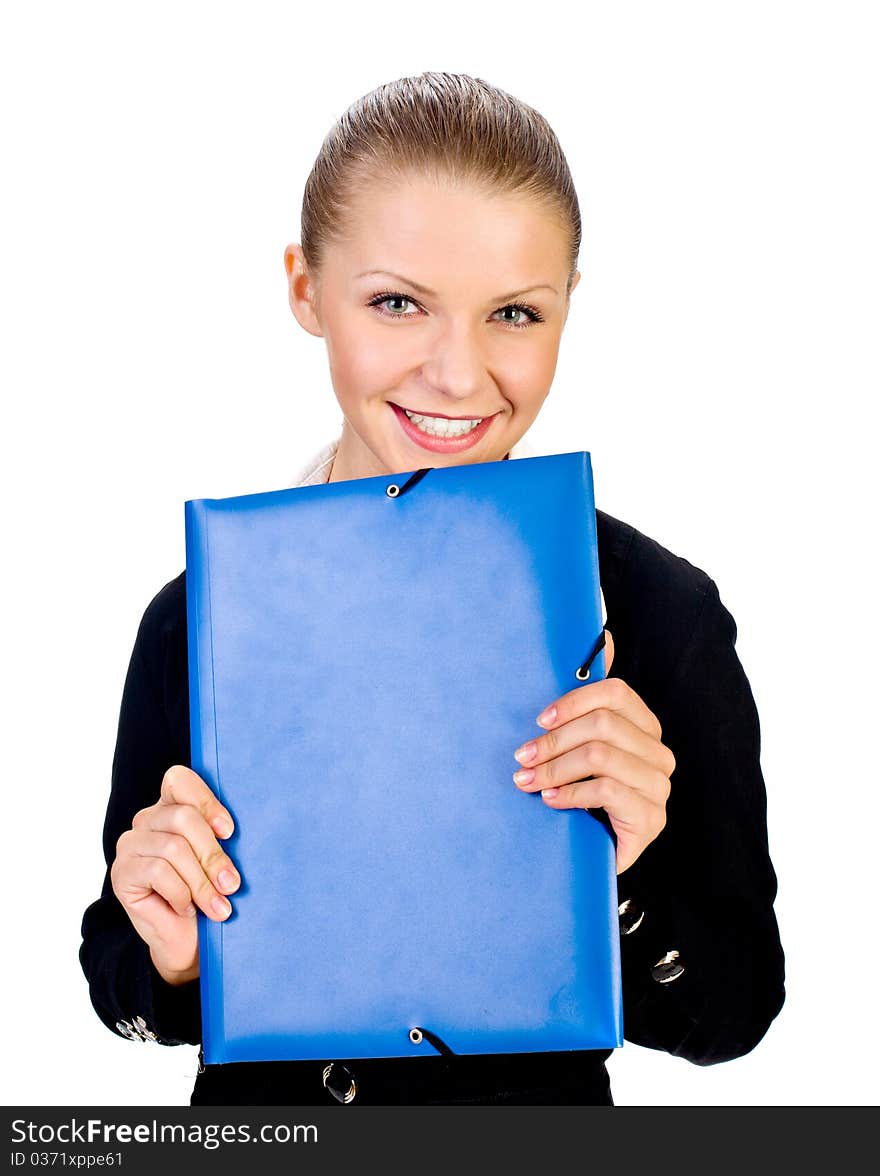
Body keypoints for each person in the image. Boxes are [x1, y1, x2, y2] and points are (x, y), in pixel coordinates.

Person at [79, 71, 785, 1106]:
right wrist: (172, 951)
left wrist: (624, 877)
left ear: (566, 310)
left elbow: (733, 1016)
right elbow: (117, 976)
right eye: (397, 302)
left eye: (514, 312)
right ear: (304, 289)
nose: (458, 375)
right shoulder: (198, 617)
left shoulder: (659, 611)